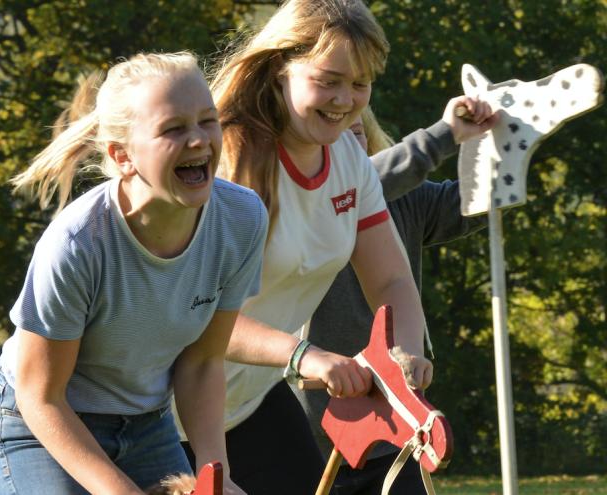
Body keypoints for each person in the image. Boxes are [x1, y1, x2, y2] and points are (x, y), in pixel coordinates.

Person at [174, 1, 497, 494]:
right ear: (282, 69)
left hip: (244, 405)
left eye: (360, 83)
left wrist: (404, 356)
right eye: (329, 80)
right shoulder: (227, 159)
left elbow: (389, 278)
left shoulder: (349, 158)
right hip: (146, 407)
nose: (346, 99)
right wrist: (305, 355)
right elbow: (196, 311)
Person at [0, 51, 267, 495]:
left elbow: (202, 361)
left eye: (207, 121)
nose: (198, 140)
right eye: (173, 129)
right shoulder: (78, 244)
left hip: (146, 422)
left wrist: (216, 477)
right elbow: (41, 397)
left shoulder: (242, 218)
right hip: (40, 422)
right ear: (123, 155)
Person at [294, 105, 492, 495]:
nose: (350, 148)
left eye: (358, 134)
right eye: (338, 136)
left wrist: (504, 138)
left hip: (392, 428)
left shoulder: (403, 201)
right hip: (307, 431)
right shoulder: (297, 203)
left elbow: (478, 201)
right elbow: (351, 186)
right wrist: (444, 133)